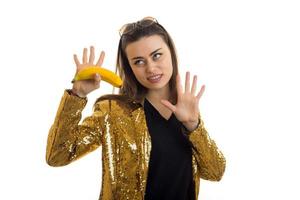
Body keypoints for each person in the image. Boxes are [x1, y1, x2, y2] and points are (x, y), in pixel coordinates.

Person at [45, 16, 226, 200]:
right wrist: (77, 95)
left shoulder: (186, 111)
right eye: (139, 61)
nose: (151, 68)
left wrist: (193, 125)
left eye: (157, 55)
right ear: (129, 67)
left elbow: (215, 172)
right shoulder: (113, 111)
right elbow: (58, 155)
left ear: (171, 52)